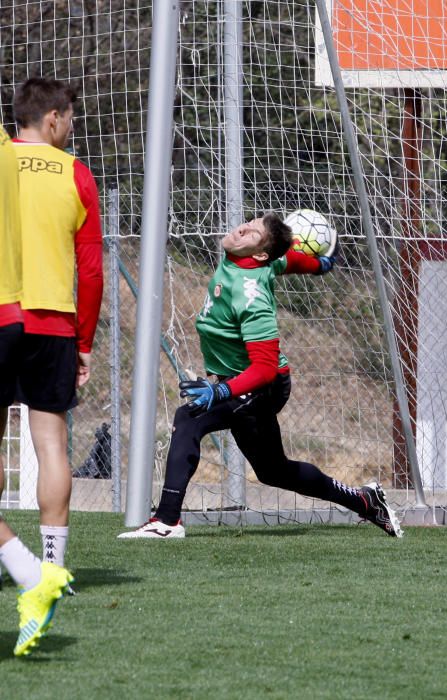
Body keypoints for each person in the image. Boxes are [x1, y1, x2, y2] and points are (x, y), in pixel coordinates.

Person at [118, 213, 403, 540]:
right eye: (249, 223)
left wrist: (219, 393)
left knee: (189, 418)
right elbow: (287, 261)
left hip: (261, 385)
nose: (242, 228)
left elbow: (265, 368)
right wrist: (319, 266)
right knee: (273, 471)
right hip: (242, 382)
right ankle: (364, 500)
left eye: (252, 233)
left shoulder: (252, 297)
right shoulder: (254, 261)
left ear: (259, 254)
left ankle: (166, 522)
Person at [10, 77, 103, 569]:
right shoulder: (76, 174)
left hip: (2, 316)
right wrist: (84, 342)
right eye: (70, 119)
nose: (71, 128)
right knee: (51, 444)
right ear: (53, 118)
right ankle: (52, 565)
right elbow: (90, 270)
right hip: (53, 325)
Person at [0, 124, 73, 657]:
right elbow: (87, 266)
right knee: (51, 442)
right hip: (41, 317)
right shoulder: (60, 169)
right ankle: (40, 570)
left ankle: (33, 575)